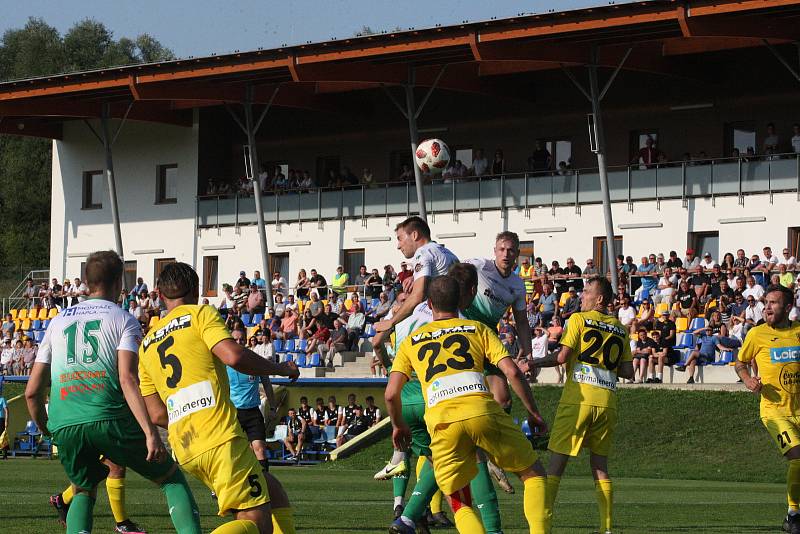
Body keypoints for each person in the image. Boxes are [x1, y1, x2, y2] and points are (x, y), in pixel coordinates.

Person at [25, 251, 200, 534]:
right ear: (120, 282)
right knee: (171, 479)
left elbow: (32, 392)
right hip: (110, 417)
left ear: (85, 282)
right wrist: (149, 432)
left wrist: (48, 431)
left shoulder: (56, 322)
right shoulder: (123, 319)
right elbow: (127, 378)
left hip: (65, 421)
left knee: (83, 490)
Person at [137, 262, 300, 534]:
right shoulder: (200, 314)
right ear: (196, 290)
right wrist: (281, 369)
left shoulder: (147, 343)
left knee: (271, 489)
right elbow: (233, 356)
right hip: (218, 436)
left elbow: (155, 413)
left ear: (160, 294)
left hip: (186, 445)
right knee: (256, 523)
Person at [386, 275, 550, 534]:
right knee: (534, 474)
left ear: (429, 304)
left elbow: (390, 394)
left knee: (458, 499)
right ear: (463, 299)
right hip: (481, 410)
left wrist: (398, 426)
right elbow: (514, 373)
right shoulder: (478, 328)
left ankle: (407, 516)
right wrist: (534, 413)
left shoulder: (411, 341)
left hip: (442, 420)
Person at [530, 276, 634, 534]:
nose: (582, 295)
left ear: (600, 299)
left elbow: (562, 357)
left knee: (557, 464)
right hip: (607, 402)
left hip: (579, 400)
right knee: (600, 466)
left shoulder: (577, 320)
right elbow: (629, 371)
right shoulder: (620, 329)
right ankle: (606, 528)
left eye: (587, 292)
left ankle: (543, 525)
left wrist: (535, 363)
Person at [371, 216, 459, 521]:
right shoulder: (449, 256)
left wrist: (390, 322)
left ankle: (409, 509)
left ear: (415, 234)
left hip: (419, 378)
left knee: (428, 449)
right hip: (450, 353)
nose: (399, 246)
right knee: (438, 450)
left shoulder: (425, 255)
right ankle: (418, 510)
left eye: (400, 239)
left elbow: (420, 295)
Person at [735, 284, 800, 534]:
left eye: (773, 302)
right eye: (766, 302)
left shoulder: (797, 331)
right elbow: (740, 361)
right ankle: (793, 515)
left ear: (788, 307)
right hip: (774, 411)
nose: (767, 307)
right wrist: (748, 379)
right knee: (797, 457)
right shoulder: (757, 334)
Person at [227, 327, 280, 481]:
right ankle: (222, 485)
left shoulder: (255, 361)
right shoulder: (224, 363)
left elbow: (267, 385)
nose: (239, 342)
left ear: (246, 341)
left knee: (260, 449)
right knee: (230, 452)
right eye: (235, 340)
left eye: (242, 339)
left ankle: (265, 483)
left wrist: (272, 407)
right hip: (233, 413)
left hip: (252, 413)